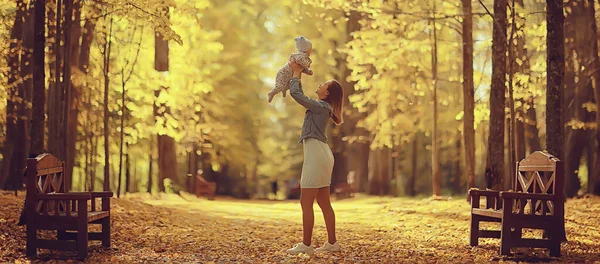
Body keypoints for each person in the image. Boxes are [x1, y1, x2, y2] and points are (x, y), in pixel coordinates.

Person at [285, 60, 344, 254]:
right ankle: (332, 243)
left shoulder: (321, 106)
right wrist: (298, 73)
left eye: (322, 85)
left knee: (306, 202)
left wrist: (295, 73)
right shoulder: (323, 107)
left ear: (326, 93)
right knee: (323, 202)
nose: (319, 85)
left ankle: (307, 245)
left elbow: (296, 95)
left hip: (317, 156)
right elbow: (301, 95)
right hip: (320, 154)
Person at [268, 36, 314, 103]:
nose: (311, 50)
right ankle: (272, 93)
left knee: (290, 85)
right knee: (280, 86)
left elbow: (300, 68)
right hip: (283, 74)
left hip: (289, 75)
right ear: (306, 49)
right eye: (310, 48)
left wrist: (308, 71)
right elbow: (301, 63)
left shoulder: (303, 57)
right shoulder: (300, 56)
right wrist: (307, 64)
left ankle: (284, 90)